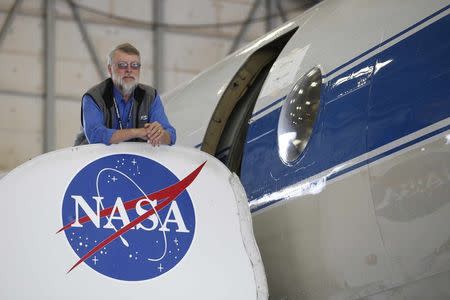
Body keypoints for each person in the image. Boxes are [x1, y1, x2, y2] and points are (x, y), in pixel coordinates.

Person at [74, 43, 176, 146]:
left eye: (135, 65)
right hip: (93, 160)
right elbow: (96, 136)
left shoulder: (150, 96)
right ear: (110, 69)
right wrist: (138, 132)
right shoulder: (94, 97)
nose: (129, 70)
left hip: (134, 160)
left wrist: (158, 134)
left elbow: (171, 135)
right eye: (122, 65)